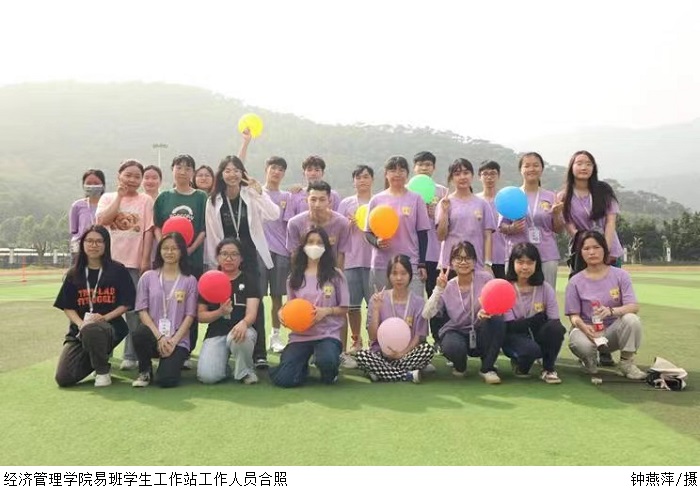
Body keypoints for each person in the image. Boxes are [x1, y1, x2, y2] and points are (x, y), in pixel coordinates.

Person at [204, 155, 280, 368]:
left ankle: (259, 354)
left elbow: (274, 214)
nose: (232, 174)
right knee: (226, 301)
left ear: (242, 173)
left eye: (236, 170)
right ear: (221, 174)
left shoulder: (251, 194)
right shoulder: (213, 200)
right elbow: (212, 235)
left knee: (255, 301)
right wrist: (215, 265)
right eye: (227, 170)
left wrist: (260, 192)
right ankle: (227, 346)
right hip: (226, 258)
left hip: (249, 256)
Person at [53, 225, 136, 387]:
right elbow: (68, 306)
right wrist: (81, 324)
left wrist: (104, 318)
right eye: (89, 241)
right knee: (63, 378)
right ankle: (97, 360)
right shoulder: (74, 273)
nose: (94, 245)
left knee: (93, 330)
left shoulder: (117, 270)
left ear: (106, 244)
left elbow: (126, 303)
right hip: (80, 331)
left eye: (99, 241)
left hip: (111, 327)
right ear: (83, 244)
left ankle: (102, 371)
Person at [270, 228, 349, 388]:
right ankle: (301, 368)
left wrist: (326, 311)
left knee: (327, 361)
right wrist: (281, 313)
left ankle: (330, 371)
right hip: (300, 336)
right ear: (303, 246)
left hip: (327, 334)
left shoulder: (335, 275)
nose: (315, 246)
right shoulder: (294, 277)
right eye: (311, 242)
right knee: (284, 380)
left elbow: (344, 308)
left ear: (326, 247)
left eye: (319, 243)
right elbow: (291, 306)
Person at [96, 159, 154, 370]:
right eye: (128, 175)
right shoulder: (107, 198)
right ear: (119, 176)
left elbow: (148, 231)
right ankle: (105, 354)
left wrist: (145, 260)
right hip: (108, 265)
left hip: (133, 265)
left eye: (137, 176)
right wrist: (119, 197)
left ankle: (131, 355)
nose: (132, 179)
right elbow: (102, 221)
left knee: (134, 311)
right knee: (106, 309)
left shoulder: (146, 200)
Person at [565, 231, 647, 380]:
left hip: (611, 332)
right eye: (586, 248)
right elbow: (573, 316)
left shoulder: (621, 275)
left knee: (632, 320)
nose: (592, 252)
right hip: (587, 329)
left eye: (596, 247)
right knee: (580, 343)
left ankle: (626, 363)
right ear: (581, 253)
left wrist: (611, 311)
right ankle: (589, 361)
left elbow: (633, 306)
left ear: (604, 249)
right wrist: (584, 327)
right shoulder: (575, 281)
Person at [422, 241, 506, 384]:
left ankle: (487, 368)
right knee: (452, 346)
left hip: (481, 330)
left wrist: (487, 311)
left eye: (468, 258)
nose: (463, 262)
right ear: (451, 262)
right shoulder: (447, 286)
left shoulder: (486, 279)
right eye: (458, 258)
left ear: (474, 261)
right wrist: (438, 289)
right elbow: (427, 314)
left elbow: (498, 305)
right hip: (457, 332)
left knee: (497, 321)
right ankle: (460, 366)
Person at [153, 154, 208, 368]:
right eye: (179, 167)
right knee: (165, 303)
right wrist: (165, 248)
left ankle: (186, 350)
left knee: (189, 306)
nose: (183, 171)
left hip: (192, 261)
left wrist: (189, 250)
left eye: (187, 168)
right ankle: (162, 344)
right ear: (172, 170)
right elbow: (157, 226)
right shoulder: (164, 197)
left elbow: (203, 228)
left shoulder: (201, 197)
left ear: (192, 172)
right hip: (167, 261)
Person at [131, 233, 198, 388]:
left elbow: (190, 316)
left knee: (166, 381)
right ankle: (145, 371)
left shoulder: (190, 280)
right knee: (139, 333)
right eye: (165, 248)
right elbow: (142, 310)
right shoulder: (148, 277)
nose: (169, 252)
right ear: (159, 251)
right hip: (154, 335)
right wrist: (160, 337)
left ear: (182, 251)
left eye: (174, 248)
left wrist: (173, 341)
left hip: (177, 339)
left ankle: (172, 363)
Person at [355, 255, 434, 383]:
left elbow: (418, 337)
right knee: (362, 355)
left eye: (403, 273)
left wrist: (402, 353)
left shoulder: (418, 302)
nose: (399, 278)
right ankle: (407, 375)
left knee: (427, 350)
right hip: (381, 353)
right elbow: (372, 337)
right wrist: (376, 310)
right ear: (388, 276)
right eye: (394, 273)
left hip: (407, 353)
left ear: (410, 275)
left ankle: (381, 372)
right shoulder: (377, 299)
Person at [365, 156, 431, 297]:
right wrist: (377, 242)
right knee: (380, 305)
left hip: (410, 263)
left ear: (407, 174)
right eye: (393, 170)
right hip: (382, 264)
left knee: (413, 305)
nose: (397, 174)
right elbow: (368, 233)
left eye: (401, 170)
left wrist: (422, 264)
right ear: (386, 174)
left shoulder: (416, 199)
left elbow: (422, 234)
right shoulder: (376, 200)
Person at [197, 238, 261, 385]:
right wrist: (220, 312)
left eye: (234, 254)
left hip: (241, 330)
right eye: (224, 254)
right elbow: (201, 316)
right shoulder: (208, 280)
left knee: (242, 336)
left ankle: (245, 371)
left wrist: (244, 324)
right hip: (216, 332)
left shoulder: (249, 280)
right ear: (217, 257)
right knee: (208, 377)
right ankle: (224, 368)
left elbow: (252, 313)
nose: (229, 258)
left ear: (241, 258)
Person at [502, 243, 565, 384]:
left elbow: (554, 320)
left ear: (537, 264)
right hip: (514, 336)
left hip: (537, 334)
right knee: (531, 351)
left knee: (556, 329)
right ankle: (519, 363)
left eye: (530, 263)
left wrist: (536, 322)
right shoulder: (505, 288)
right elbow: (510, 326)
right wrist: (536, 319)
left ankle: (548, 368)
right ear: (512, 263)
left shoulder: (545, 288)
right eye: (520, 262)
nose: (525, 267)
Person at [500, 153, 565, 289]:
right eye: (527, 166)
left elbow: (559, 229)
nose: (531, 169)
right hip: (517, 255)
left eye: (536, 165)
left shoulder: (551, 196)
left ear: (542, 169)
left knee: (546, 294)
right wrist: (512, 228)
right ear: (521, 170)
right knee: (516, 294)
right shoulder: (511, 195)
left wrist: (557, 215)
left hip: (546, 255)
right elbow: (501, 227)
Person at [561, 150, 623, 272]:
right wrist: (589, 248)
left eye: (589, 164)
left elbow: (610, 222)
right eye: (579, 163)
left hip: (610, 252)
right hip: (583, 253)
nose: (584, 167)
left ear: (594, 168)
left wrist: (604, 250)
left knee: (612, 283)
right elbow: (570, 228)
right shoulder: (563, 197)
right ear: (571, 167)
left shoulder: (604, 190)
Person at [337, 165, 374, 354]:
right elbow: (337, 230)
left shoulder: (379, 201)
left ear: (372, 180)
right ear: (354, 181)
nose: (362, 180)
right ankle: (356, 341)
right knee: (352, 306)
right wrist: (348, 224)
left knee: (374, 305)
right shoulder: (346, 203)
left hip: (374, 261)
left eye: (366, 177)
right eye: (358, 177)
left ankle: (374, 343)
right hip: (351, 261)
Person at [436, 158, 495, 271]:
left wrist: (488, 263)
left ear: (472, 175)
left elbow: (488, 236)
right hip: (450, 265)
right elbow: (441, 236)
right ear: (451, 178)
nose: (462, 177)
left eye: (466, 173)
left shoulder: (482, 204)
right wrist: (444, 212)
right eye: (457, 174)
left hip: (475, 264)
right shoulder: (445, 202)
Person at [259, 156, 293, 354]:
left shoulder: (287, 196)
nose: (276, 172)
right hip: (260, 252)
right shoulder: (256, 192)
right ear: (266, 169)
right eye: (273, 168)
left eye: (280, 169)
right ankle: (257, 337)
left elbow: (289, 226)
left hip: (281, 252)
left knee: (277, 297)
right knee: (256, 296)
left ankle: (275, 337)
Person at [287, 180, 350, 270]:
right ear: (306, 200)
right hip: (304, 271)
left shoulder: (342, 223)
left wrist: (337, 276)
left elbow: (341, 254)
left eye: (322, 200)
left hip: (330, 271)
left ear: (329, 201)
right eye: (313, 199)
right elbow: (294, 254)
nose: (317, 204)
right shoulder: (294, 223)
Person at [476, 161, 506, 279]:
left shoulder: (505, 200)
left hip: (503, 256)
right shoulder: (475, 200)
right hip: (479, 257)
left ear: (499, 176)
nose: (489, 177)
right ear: (479, 177)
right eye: (485, 174)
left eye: (493, 173)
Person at [69, 169, 106, 262]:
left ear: (103, 185)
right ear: (83, 185)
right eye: (88, 183)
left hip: (103, 249)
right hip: (80, 250)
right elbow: (74, 230)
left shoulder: (109, 204)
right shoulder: (77, 206)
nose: (92, 186)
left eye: (96, 183)